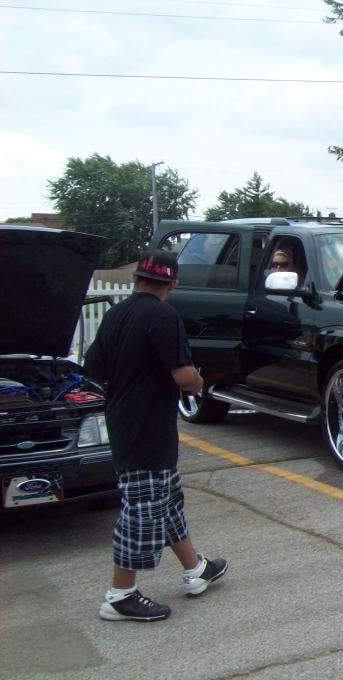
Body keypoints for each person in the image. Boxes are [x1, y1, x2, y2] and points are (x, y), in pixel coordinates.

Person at [85, 249, 227, 622]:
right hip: (147, 428)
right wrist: (200, 381)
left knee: (166, 500)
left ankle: (196, 569)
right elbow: (184, 378)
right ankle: (119, 595)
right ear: (173, 283)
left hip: (125, 421)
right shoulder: (163, 315)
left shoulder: (116, 314)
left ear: (137, 278)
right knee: (142, 510)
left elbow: (94, 367)